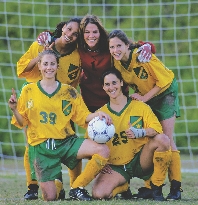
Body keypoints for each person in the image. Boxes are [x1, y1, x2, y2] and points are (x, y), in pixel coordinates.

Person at [36, 14, 156, 199]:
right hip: (89, 103)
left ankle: (139, 185)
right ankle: (77, 186)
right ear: (82, 35)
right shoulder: (79, 47)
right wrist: (47, 36)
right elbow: (61, 39)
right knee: (92, 143)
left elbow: (133, 45)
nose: (91, 35)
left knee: (125, 137)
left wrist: (148, 46)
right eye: (87, 33)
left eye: (95, 32)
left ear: (100, 32)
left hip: (113, 100)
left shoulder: (109, 45)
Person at [8, 50, 112, 201]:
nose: (49, 67)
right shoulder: (28, 90)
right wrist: (14, 109)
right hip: (42, 147)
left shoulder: (69, 91)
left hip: (66, 142)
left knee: (103, 150)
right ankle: (58, 186)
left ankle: (77, 187)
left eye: (52, 64)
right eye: (45, 64)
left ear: (57, 66)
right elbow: (22, 122)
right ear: (39, 66)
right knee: (50, 197)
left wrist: (98, 114)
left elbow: (83, 116)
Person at [108, 29, 182, 200]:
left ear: (127, 45)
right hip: (147, 97)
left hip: (165, 93)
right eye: (112, 47)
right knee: (150, 139)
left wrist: (143, 98)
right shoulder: (117, 63)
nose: (115, 50)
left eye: (119, 45)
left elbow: (163, 81)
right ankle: (150, 187)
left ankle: (176, 188)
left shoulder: (142, 55)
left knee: (166, 139)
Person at [17, 17, 82, 200]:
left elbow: (74, 83)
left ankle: (76, 187)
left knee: (69, 141)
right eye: (69, 29)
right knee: (33, 142)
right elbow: (21, 69)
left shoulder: (78, 56)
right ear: (62, 28)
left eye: (75, 33)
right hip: (36, 99)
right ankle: (32, 187)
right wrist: (41, 54)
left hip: (62, 102)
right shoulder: (42, 44)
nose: (70, 35)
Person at [90, 69, 171, 201]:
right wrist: (99, 162)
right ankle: (123, 186)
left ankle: (156, 187)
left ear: (121, 83)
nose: (111, 87)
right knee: (99, 195)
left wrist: (140, 132)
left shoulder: (140, 106)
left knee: (163, 140)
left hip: (140, 159)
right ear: (103, 87)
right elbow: (91, 144)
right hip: (117, 165)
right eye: (107, 84)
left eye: (114, 83)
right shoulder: (100, 115)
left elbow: (157, 129)